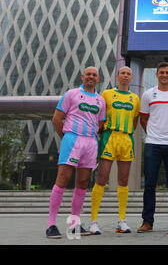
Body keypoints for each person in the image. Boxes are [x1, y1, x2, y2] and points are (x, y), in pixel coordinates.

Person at [46, 66, 106, 239]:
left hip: (90, 142)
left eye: (94, 75)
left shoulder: (100, 101)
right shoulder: (71, 94)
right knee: (63, 179)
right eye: (88, 74)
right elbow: (57, 118)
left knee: (83, 182)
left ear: (98, 79)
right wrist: (65, 137)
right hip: (72, 139)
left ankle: (74, 224)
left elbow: (100, 123)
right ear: (82, 77)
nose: (91, 77)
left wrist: (90, 137)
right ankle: (51, 224)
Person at [89, 66, 140, 235]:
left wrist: (127, 133)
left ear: (131, 78)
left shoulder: (135, 98)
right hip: (109, 137)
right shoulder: (107, 94)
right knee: (102, 177)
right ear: (117, 76)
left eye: (128, 74)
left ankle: (122, 221)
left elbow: (135, 120)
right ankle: (93, 221)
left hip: (126, 139)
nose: (125, 75)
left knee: (123, 180)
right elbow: (100, 118)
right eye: (123, 73)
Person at [137, 62, 168, 234]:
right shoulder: (148, 94)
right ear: (157, 74)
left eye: (167, 72)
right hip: (153, 144)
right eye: (161, 72)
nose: (164, 75)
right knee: (149, 185)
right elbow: (143, 118)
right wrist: (153, 133)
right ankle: (147, 222)